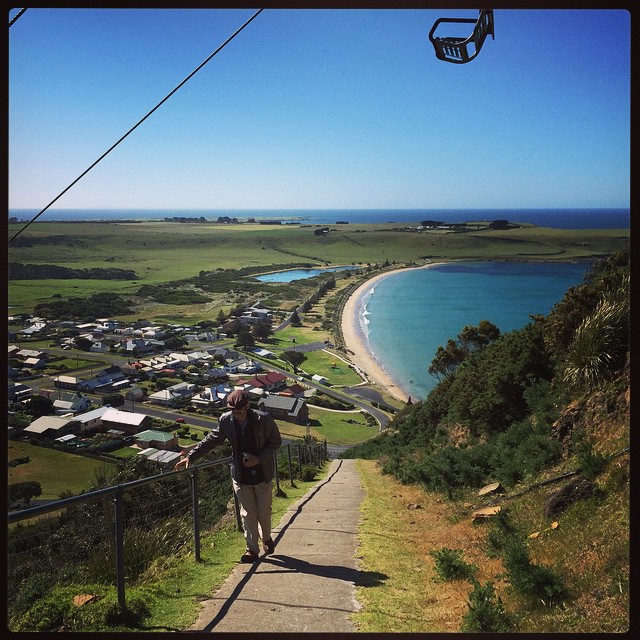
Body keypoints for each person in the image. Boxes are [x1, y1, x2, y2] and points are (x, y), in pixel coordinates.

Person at [174, 389, 282, 564]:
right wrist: (191, 456)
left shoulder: (264, 419)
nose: (236, 412)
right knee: (248, 514)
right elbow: (211, 440)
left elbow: (276, 442)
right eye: (232, 409)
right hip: (240, 475)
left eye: (239, 409)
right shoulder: (226, 420)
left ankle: (267, 537)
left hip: (263, 474)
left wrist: (258, 459)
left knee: (263, 513)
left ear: (247, 405)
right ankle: (251, 550)